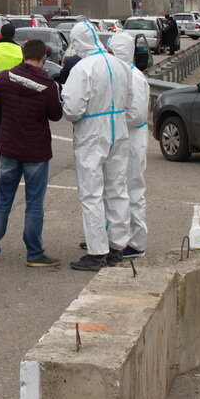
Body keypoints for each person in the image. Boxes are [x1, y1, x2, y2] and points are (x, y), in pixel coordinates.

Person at [61, 22, 143, 271]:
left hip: (92, 132)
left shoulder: (83, 68)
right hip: (119, 130)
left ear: (77, 42)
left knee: (91, 192)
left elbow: (73, 109)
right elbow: (130, 100)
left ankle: (97, 251)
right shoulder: (120, 65)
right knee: (117, 188)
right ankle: (117, 246)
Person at [0, 39, 63, 267]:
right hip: (36, 150)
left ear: (23, 55)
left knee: (2, 200)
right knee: (34, 203)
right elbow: (56, 115)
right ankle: (34, 254)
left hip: (9, 147)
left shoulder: (4, 78)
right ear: (43, 57)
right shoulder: (47, 84)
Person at [107, 33, 149, 258]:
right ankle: (115, 235)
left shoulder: (134, 77)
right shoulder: (120, 74)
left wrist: (111, 117)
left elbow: (136, 114)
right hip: (123, 138)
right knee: (116, 189)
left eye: (112, 52)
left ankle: (136, 242)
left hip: (132, 140)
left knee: (133, 190)